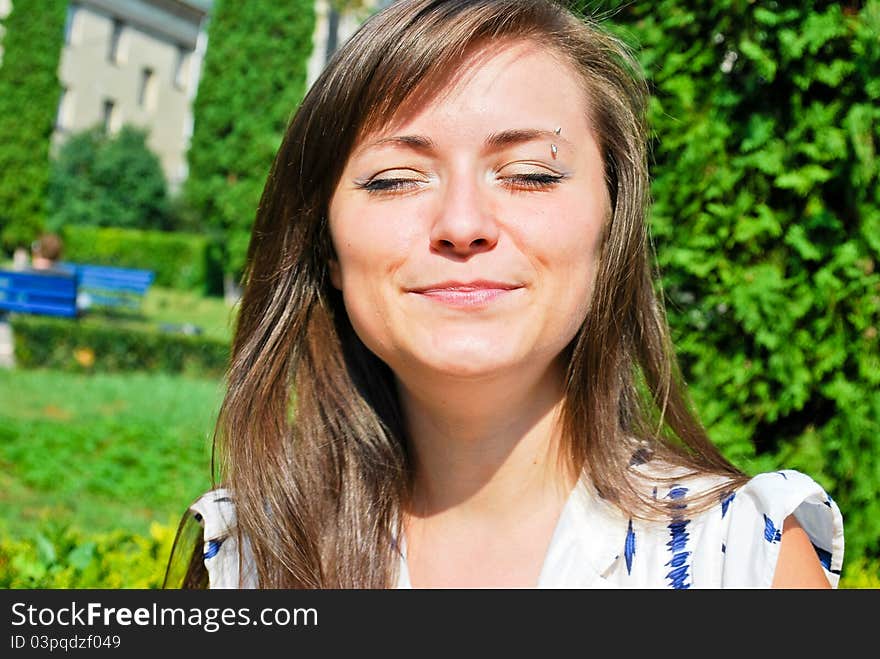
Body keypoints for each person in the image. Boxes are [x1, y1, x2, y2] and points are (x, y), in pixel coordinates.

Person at [164, 0, 843, 589]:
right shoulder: (248, 559)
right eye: (396, 178)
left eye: (528, 174)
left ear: (612, 227)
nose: (462, 225)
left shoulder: (740, 562)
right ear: (327, 248)